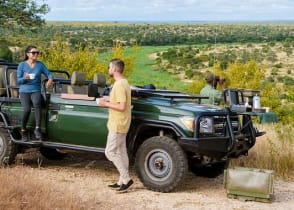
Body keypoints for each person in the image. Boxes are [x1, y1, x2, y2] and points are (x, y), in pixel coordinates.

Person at [99, 58, 133, 192]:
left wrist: (105, 104)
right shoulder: (124, 82)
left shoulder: (119, 85)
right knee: (121, 151)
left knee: (110, 152)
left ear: (114, 69)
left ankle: (126, 179)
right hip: (123, 123)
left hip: (117, 124)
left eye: (109, 67)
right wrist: (108, 100)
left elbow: (122, 106)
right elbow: (120, 102)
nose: (108, 70)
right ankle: (121, 181)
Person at [17, 45, 53, 141]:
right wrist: (25, 78)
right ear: (28, 54)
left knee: (37, 103)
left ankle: (37, 129)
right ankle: (23, 129)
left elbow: (49, 73)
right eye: (34, 52)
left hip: (36, 90)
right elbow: (19, 81)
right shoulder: (22, 65)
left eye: (37, 52)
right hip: (24, 90)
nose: (36, 54)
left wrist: (50, 79)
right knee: (27, 109)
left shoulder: (40, 65)